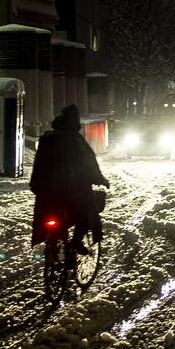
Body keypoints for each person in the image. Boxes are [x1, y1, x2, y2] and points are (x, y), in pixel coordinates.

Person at [29, 105, 109, 254]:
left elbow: (39, 163)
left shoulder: (47, 138)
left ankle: (54, 245)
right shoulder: (77, 141)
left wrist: (36, 185)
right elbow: (89, 164)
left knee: (49, 215)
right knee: (88, 213)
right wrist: (100, 179)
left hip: (48, 192)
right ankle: (76, 242)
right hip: (74, 192)